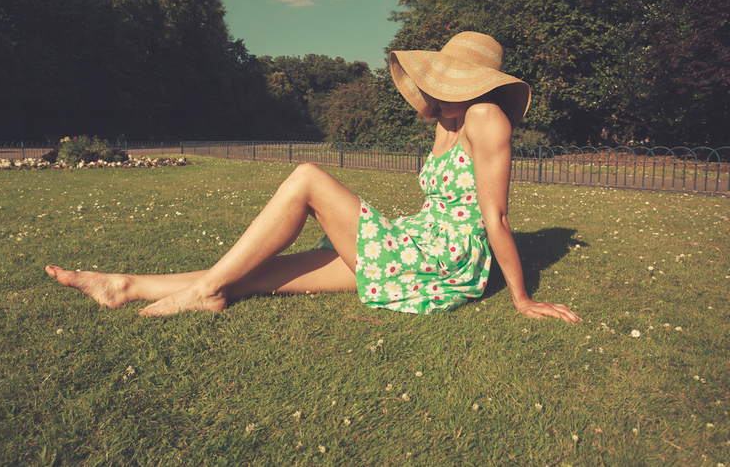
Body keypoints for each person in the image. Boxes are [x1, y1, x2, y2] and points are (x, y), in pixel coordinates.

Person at [45, 32, 581, 324]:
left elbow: (496, 217)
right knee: (260, 273)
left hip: (443, 257)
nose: (440, 90)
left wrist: (520, 299)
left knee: (306, 178)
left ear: (474, 83)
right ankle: (124, 287)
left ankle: (205, 291)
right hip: (417, 245)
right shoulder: (448, 122)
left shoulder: (487, 118)